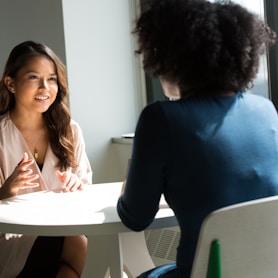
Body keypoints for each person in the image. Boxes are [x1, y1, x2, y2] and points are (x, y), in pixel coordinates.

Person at [117, 0, 278, 277]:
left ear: (171, 58)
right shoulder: (266, 110)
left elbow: (135, 217)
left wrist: (126, 189)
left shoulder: (161, 118)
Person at [0, 41, 93, 278]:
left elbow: (87, 193)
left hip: (63, 233)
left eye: (51, 79)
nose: (45, 87)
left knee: (77, 240)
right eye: (33, 77)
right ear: (10, 84)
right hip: (10, 241)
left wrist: (77, 186)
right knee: (76, 243)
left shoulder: (69, 130)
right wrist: (5, 191)